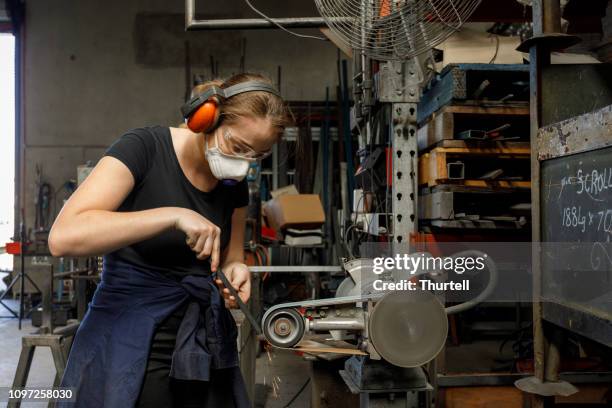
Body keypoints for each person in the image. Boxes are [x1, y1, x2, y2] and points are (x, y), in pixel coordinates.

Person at [48, 73, 291, 408]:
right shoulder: (143, 149)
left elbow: (232, 256)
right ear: (207, 118)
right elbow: (63, 237)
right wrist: (172, 215)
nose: (242, 166)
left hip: (199, 345)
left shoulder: (232, 186)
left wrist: (237, 270)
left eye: (257, 156)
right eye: (238, 148)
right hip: (128, 334)